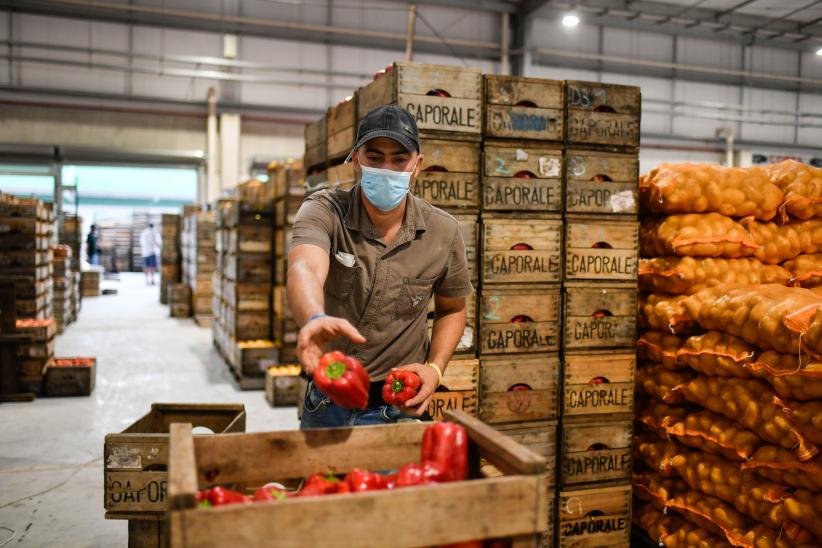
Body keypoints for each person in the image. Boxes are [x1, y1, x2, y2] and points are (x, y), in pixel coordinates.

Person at [287, 105, 473, 429]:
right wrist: (314, 318)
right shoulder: (324, 211)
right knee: (326, 482)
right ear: (357, 159)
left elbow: (453, 308)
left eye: (399, 159)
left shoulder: (443, 232)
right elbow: (304, 266)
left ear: (418, 165)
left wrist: (436, 369)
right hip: (330, 397)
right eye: (375, 157)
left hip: (401, 402)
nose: (386, 168)